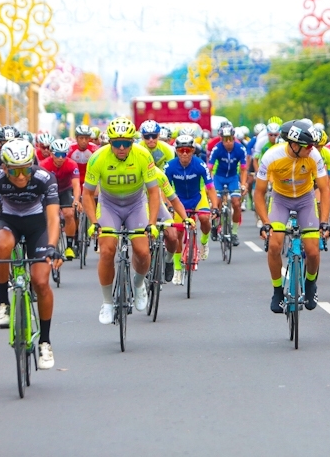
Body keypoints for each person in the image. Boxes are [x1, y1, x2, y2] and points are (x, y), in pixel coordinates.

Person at [0, 140, 62, 369]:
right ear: (4, 168)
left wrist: (52, 247)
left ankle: (45, 342)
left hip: (37, 224)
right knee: (2, 246)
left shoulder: (45, 178)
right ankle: (4, 303)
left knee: (41, 282)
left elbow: (53, 218)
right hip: (9, 220)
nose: (21, 177)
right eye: (14, 171)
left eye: (25, 170)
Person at [82, 117, 161, 325]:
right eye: (117, 143)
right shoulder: (97, 158)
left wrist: (152, 223)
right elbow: (87, 194)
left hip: (136, 205)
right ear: (110, 142)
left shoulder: (143, 155)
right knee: (107, 251)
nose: (122, 148)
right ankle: (107, 302)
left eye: (127, 143)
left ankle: (139, 283)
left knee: (142, 251)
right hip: (109, 206)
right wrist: (93, 222)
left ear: (133, 142)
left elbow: (154, 192)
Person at [254, 120, 330, 312]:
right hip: (280, 200)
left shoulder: (314, 156)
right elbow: (259, 193)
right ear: (294, 145)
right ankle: (277, 291)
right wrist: (265, 223)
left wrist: (324, 222)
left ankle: (310, 284)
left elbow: (324, 189)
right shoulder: (271, 156)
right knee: (274, 245)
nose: (312, 149)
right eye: (308, 146)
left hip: (306, 200)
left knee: (313, 251)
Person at [164, 134, 218, 282]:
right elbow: (164, 190)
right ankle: (177, 269)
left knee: (204, 218)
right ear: (176, 151)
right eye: (181, 150)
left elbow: (210, 187)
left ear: (193, 151)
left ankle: (204, 242)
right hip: (178, 200)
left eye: (188, 150)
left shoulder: (200, 165)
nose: (184, 153)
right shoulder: (170, 166)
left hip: (197, 197)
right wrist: (169, 206)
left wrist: (215, 207)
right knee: (177, 234)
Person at [39, 139, 81, 259]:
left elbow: (76, 185)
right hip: (48, 191)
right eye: (57, 154)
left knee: (69, 214)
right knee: (48, 216)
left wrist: (76, 200)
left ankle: (69, 247)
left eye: (63, 154)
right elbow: (39, 185)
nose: (60, 158)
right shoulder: (44, 165)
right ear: (52, 154)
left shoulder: (71, 164)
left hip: (64, 190)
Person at [207, 125, 247, 247]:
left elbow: (244, 169)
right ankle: (215, 226)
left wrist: (243, 184)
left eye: (230, 139)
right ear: (221, 139)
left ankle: (234, 233)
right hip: (219, 178)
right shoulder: (217, 149)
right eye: (225, 139)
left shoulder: (240, 149)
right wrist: (209, 184)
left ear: (234, 138)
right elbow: (210, 167)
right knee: (216, 202)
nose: (228, 142)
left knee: (236, 203)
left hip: (233, 178)